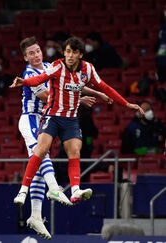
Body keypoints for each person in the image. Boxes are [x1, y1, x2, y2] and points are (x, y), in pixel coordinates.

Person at [10, 36, 144, 206]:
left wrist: (125, 103)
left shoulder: (87, 69)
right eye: (67, 51)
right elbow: (40, 83)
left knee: (75, 151)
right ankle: (24, 191)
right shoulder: (56, 66)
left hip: (70, 119)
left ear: (80, 54)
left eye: (74, 52)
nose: (70, 55)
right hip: (50, 115)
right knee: (41, 150)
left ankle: (75, 191)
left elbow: (103, 86)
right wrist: (25, 82)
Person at [15, 36, 113, 239]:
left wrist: (93, 93)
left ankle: (35, 216)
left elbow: (72, 84)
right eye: (31, 53)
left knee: (40, 167)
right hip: (31, 118)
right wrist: (76, 99)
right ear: (25, 58)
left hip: (46, 119)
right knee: (41, 155)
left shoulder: (52, 65)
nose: (36, 55)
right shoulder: (30, 72)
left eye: (37, 51)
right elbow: (48, 96)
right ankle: (54, 189)